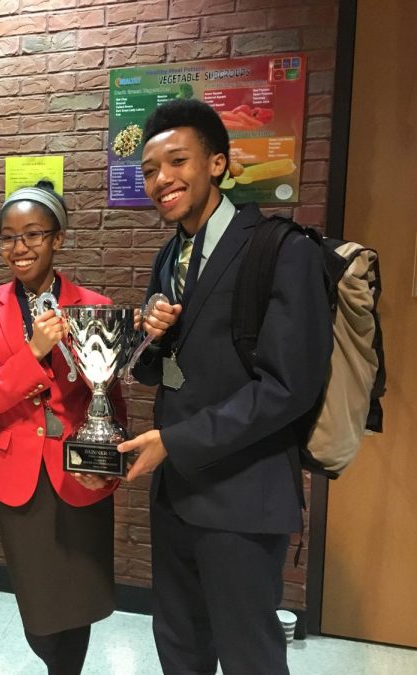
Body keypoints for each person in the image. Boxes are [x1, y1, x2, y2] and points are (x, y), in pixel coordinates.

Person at [118, 99, 332, 674]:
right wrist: (151, 338)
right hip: (176, 498)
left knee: (248, 655)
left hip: (243, 495)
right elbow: (151, 370)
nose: (161, 179)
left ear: (217, 163)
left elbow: (289, 386)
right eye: (149, 169)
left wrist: (177, 442)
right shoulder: (171, 255)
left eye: (177, 161)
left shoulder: (281, 250)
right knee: (180, 648)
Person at [0, 181, 126, 675]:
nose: (20, 247)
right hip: (19, 479)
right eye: (8, 237)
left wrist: (112, 465)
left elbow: (112, 405)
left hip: (81, 474)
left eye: (33, 234)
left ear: (58, 239)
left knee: (79, 603)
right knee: (38, 616)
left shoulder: (95, 307)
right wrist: (32, 352)